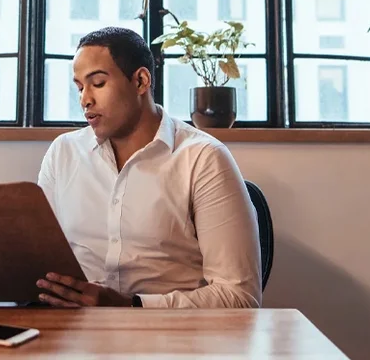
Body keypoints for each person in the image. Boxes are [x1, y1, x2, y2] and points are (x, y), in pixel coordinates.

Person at [34, 27, 262, 308]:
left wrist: (132, 305)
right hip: (73, 333)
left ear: (141, 81)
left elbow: (240, 297)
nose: (85, 100)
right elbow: (38, 261)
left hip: (171, 339)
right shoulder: (63, 153)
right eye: (80, 87)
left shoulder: (204, 158)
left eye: (98, 83)